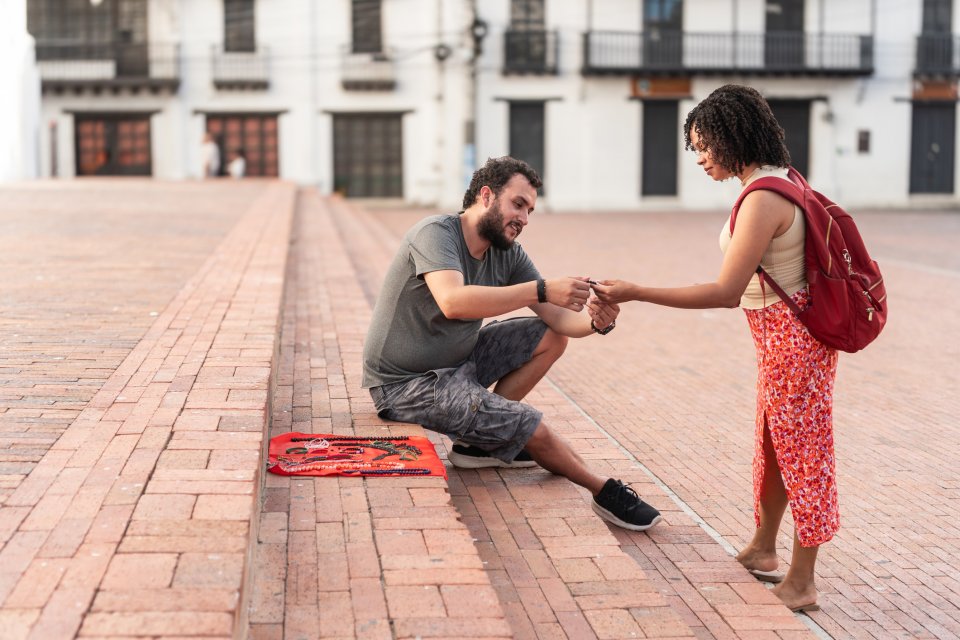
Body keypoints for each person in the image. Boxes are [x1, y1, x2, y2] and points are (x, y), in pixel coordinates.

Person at [593, 84, 837, 612]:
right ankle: (764, 550)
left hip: (792, 344)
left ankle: (803, 581)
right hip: (781, 342)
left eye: (705, 145)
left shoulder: (765, 197)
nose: (699, 157)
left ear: (733, 137)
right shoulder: (777, 181)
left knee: (805, 457)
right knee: (775, 446)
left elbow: (726, 292)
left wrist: (637, 290)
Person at [362, 156, 662, 532]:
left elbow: (557, 320)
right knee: (530, 428)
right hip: (405, 386)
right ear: (486, 196)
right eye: (517, 204)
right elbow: (453, 302)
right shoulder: (436, 233)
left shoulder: (507, 251)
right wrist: (539, 289)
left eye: (530, 210)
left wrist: (597, 322)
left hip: (458, 364)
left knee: (550, 337)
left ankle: (477, 446)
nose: (524, 218)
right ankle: (603, 490)